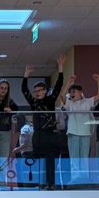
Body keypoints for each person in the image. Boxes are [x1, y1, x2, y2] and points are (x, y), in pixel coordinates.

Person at [22, 56, 67, 189]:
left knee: (50, 161)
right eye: (36, 91)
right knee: (39, 162)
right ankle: (41, 184)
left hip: (50, 135)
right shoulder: (34, 102)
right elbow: (24, 91)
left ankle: (51, 184)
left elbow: (58, 85)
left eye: (40, 90)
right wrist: (26, 75)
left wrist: (60, 68)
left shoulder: (50, 100)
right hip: (38, 135)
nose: (37, 93)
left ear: (45, 91)